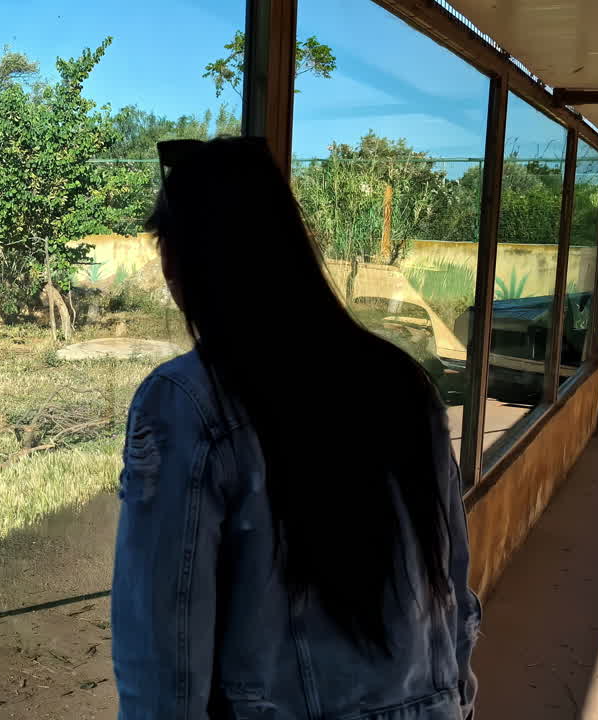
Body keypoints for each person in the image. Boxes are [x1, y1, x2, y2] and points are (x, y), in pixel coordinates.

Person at [110, 136, 480, 720]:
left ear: (178, 262)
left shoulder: (188, 402)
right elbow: (451, 590)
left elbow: (165, 662)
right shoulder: (403, 383)